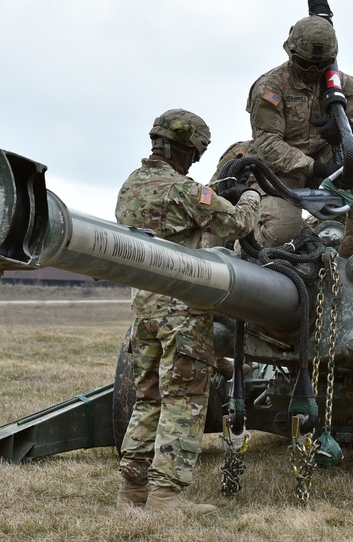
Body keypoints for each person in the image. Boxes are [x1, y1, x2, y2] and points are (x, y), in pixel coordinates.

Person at [114, 109, 261, 514]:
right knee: (184, 399)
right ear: (188, 150)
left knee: (147, 399)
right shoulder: (185, 192)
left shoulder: (130, 186)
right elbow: (241, 224)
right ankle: (166, 496)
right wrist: (252, 194)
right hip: (182, 310)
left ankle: (133, 490)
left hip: (142, 308)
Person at [245, 15, 353, 260]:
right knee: (281, 232)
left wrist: (346, 129)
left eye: (320, 64)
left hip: (326, 165)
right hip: (280, 174)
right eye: (305, 64)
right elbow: (268, 145)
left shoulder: (342, 83)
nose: (312, 71)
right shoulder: (271, 87)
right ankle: (243, 247)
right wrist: (317, 167)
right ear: (291, 54)